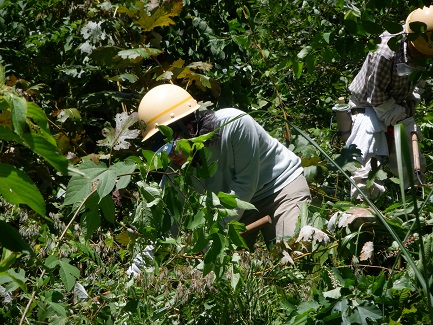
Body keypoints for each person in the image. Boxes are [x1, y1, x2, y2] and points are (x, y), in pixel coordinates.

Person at [137, 83, 311, 250]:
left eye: (170, 146)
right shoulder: (177, 171)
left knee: (293, 255)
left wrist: (212, 237)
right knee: (222, 273)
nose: (169, 156)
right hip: (237, 206)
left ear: (189, 127)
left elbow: (245, 184)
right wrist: (137, 271)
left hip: (280, 189)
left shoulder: (235, 124)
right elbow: (165, 222)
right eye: (161, 151)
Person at [345, 5, 432, 200]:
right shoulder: (385, 51)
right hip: (367, 103)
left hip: (400, 102)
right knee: (366, 143)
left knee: (409, 146)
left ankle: (415, 194)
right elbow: (375, 96)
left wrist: (411, 103)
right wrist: (395, 115)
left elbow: (420, 81)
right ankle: (365, 199)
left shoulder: (427, 49)